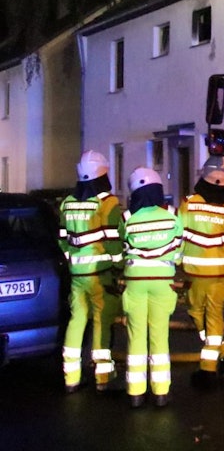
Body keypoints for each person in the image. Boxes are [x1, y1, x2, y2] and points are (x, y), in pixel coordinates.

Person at [58, 150, 124, 393]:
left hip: (77, 275)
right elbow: (114, 242)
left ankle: (71, 377)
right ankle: (103, 377)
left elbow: (63, 239)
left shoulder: (68, 203)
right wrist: (119, 267)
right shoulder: (107, 204)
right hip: (101, 274)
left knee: (76, 321)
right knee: (101, 322)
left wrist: (73, 260)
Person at [120, 167, 184, 408]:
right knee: (160, 337)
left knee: (136, 337)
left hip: (135, 283)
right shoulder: (173, 215)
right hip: (163, 282)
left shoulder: (127, 218)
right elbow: (178, 252)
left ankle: (135, 393)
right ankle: (160, 393)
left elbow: (121, 249)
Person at [179, 156, 224, 389]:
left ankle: (208, 369)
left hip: (194, 273)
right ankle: (222, 352)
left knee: (197, 314)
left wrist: (176, 262)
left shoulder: (188, 203)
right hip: (218, 274)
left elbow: (179, 236)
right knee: (213, 317)